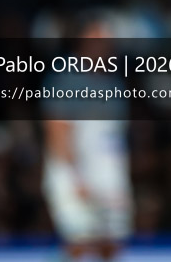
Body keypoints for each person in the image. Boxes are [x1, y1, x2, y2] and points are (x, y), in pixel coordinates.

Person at [42, 27, 134, 261]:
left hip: (109, 178)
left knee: (111, 243)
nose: (104, 48)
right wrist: (75, 177)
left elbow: (114, 138)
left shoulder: (114, 84)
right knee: (79, 242)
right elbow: (57, 132)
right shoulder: (66, 80)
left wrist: (119, 180)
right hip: (78, 176)